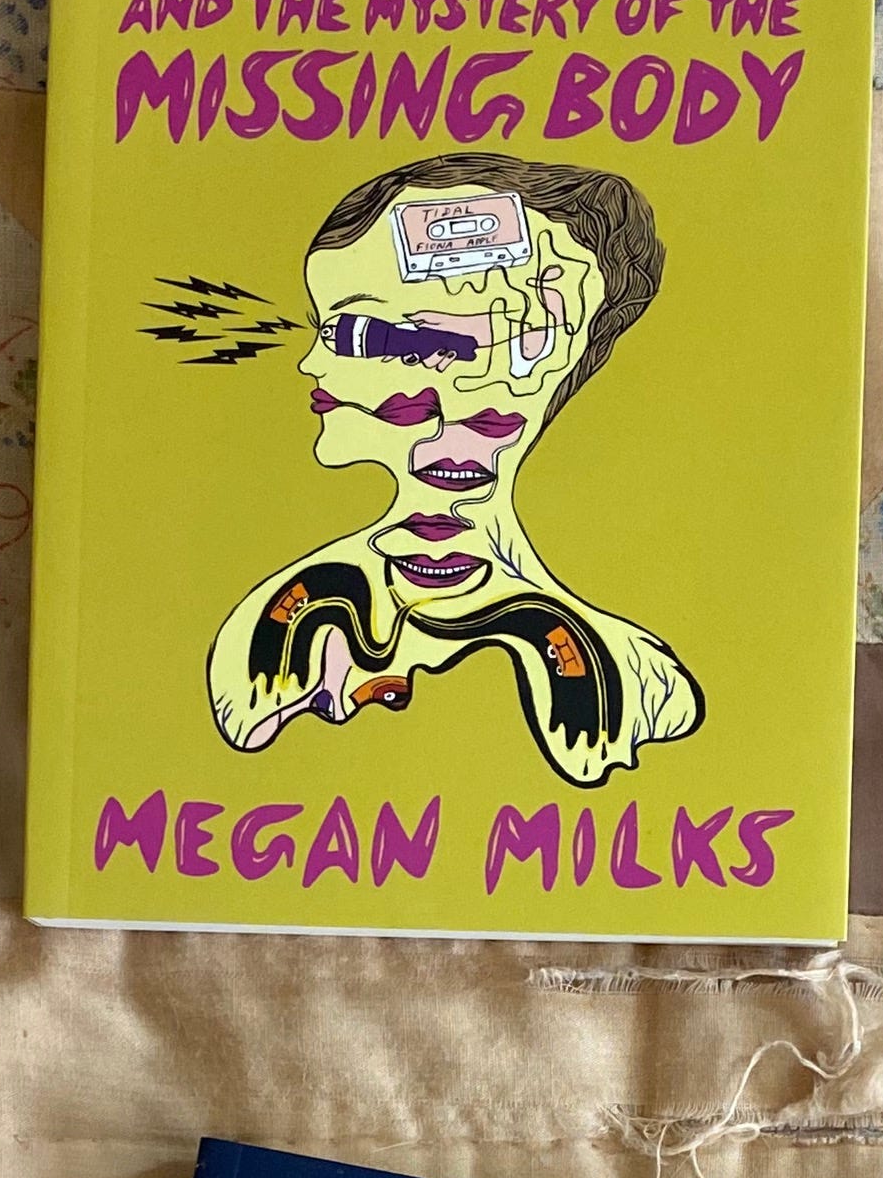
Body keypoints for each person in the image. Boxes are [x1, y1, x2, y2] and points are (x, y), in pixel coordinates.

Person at [207, 155, 700, 785]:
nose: (311, 364)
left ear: (541, 333)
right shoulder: (269, 636)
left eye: (357, 333)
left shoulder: (631, 686)